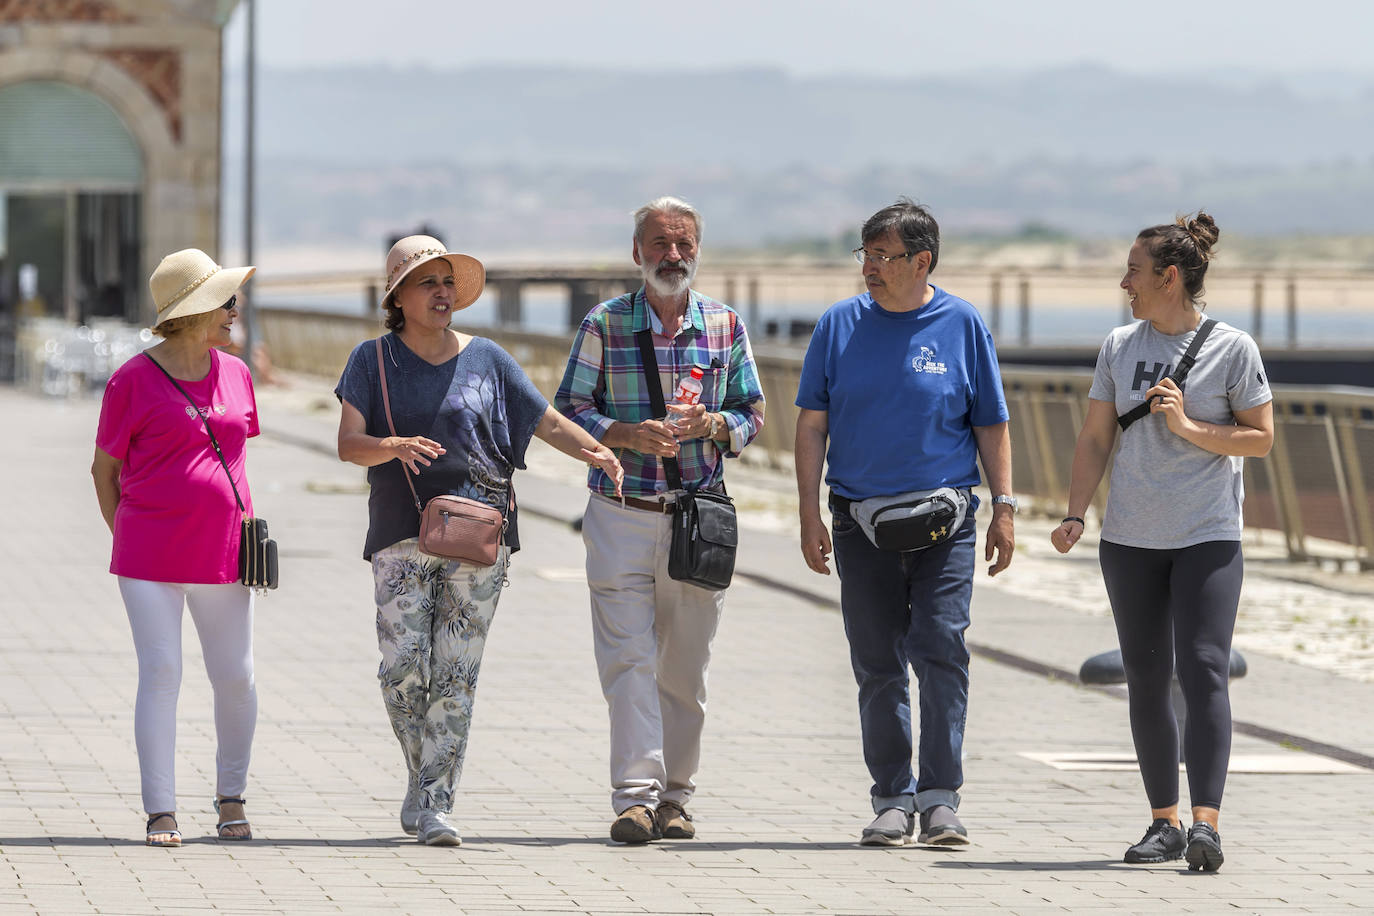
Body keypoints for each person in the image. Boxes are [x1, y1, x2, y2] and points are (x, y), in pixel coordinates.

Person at [335, 235, 623, 847]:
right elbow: (348, 443)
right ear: (399, 297)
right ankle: (421, 777)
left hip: (479, 534)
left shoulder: (488, 357)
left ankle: (437, 801)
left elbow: (541, 419)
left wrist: (596, 450)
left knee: (457, 673)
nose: (440, 293)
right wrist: (392, 446)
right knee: (404, 671)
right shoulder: (370, 361)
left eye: (446, 282)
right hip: (401, 535)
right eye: (426, 283)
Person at [1050, 213, 1273, 872]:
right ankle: (1163, 823)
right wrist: (1074, 513)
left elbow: (1260, 438)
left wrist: (1190, 426)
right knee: (1147, 677)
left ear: (1168, 277)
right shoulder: (1120, 346)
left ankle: (1207, 824)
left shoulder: (1234, 348)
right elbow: (1095, 438)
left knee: (1204, 668)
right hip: (1130, 539)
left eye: (1134, 271)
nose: (1125, 282)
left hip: (1208, 535)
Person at [794, 197, 1016, 847]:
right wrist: (807, 512)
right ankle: (892, 797)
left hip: (946, 525)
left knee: (941, 649)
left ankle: (942, 798)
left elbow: (991, 424)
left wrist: (1004, 509)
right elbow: (811, 425)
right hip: (858, 525)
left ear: (922, 261)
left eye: (883, 256)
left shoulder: (963, 325)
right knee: (877, 663)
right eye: (864, 254)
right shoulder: (839, 326)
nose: (869, 266)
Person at [554, 196, 765, 844]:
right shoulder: (605, 325)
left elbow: (753, 412)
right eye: (659, 244)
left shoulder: (725, 327)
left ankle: (677, 796)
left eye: (683, 244)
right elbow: (567, 409)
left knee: (684, 671)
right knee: (628, 662)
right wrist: (621, 433)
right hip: (621, 513)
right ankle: (635, 800)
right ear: (638, 253)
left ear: (697, 249)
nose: (672, 256)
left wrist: (715, 425)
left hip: (695, 520)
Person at [91, 248, 261, 847]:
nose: (235, 310)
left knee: (235, 676)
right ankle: (160, 809)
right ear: (192, 312)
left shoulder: (238, 375)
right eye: (225, 301)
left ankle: (231, 795)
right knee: (161, 671)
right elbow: (103, 471)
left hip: (224, 553)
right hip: (149, 558)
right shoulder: (130, 381)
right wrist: (132, 540)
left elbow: (236, 458)